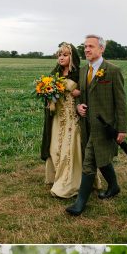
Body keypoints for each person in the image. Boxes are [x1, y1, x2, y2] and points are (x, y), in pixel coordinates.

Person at [66, 34, 127, 216]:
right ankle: (114, 186)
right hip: (87, 124)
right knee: (101, 158)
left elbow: (121, 102)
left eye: (91, 46)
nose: (86, 49)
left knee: (89, 161)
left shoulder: (113, 71)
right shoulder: (84, 71)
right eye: (85, 46)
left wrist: (122, 128)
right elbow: (83, 96)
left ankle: (80, 203)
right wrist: (79, 107)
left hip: (104, 126)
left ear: (101, 49)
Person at [40, 43, 84, 199]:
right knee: (55, 147)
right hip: (58, 117)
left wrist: (72, 88)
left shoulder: (79, 73)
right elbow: (49, 94)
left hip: (72, 117)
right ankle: (56, 178)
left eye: (65, 55)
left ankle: (68, 184)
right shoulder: (54, 74)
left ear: (72, 57)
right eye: (59, 54)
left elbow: (82, 92)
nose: (61, 57)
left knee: (68, 149)